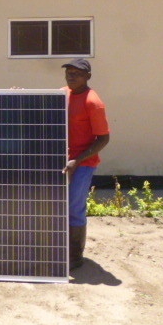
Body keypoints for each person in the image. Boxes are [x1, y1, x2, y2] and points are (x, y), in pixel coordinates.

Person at [61, 58, 110, 270]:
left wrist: (77, 161)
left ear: (88, 76)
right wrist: (20, 94)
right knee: (55, 205)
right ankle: (59, 249)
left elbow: (103, 138)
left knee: (74, 207)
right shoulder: (63, 93)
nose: (72, 76)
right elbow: (41, 105)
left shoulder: (93, 102)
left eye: (77, 73)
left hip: (83, 162)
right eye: (69, 72)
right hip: (63, 160)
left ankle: (74, 257)